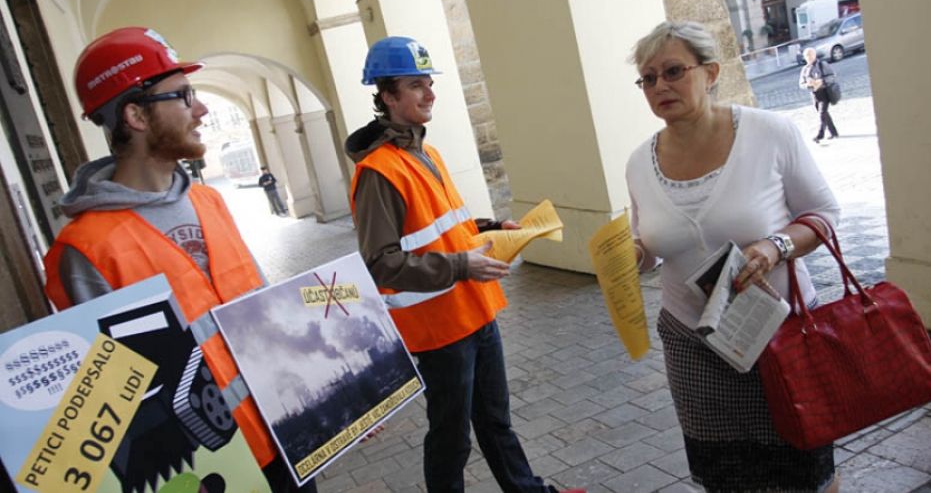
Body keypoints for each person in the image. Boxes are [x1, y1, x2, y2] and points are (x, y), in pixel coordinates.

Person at [42, 27, 315, 493]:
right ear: (136, 115)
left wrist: (333, 392)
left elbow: (264, 312)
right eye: (184, 95)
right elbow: (115, 402)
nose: (202, 109)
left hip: (283, 435)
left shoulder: (209, 202)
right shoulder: (84, 250)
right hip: (215, 472)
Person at [345, 36, 584, 493]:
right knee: (452, 437)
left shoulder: (425, 153)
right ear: (388, 96)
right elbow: (381, 263)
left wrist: (494, 225)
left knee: (496, 421)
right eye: (416, 85)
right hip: (439, 328)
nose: (429, 93)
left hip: (474, 310)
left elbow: (444, 224)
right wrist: (460, 266)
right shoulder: (378, 172)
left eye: (429, 83)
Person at [626, 22, 841, 492]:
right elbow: (648, 251)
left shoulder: (770, 133)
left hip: (781, 331)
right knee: (726, 475)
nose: (660, 85)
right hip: (692, 341)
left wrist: (774, 247)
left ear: (710, 72)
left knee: (804, 470)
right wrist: (629, 256)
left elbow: (823, 214)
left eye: (673, 71)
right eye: (648, 78)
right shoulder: (639, 163)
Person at [799, 47, 840, 143]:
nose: (809, 57)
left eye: (811, 55)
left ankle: (820, 135)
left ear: (815, 55)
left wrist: (822, 81)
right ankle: (834, 132)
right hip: (814, 94)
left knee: (822, 114)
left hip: (824, 92)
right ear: (804, 57)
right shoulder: (804, 69)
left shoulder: (822, 65)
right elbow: (801, 84)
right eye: (807, 55)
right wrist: (808, 85)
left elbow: (832, 76)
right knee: (824, 113)